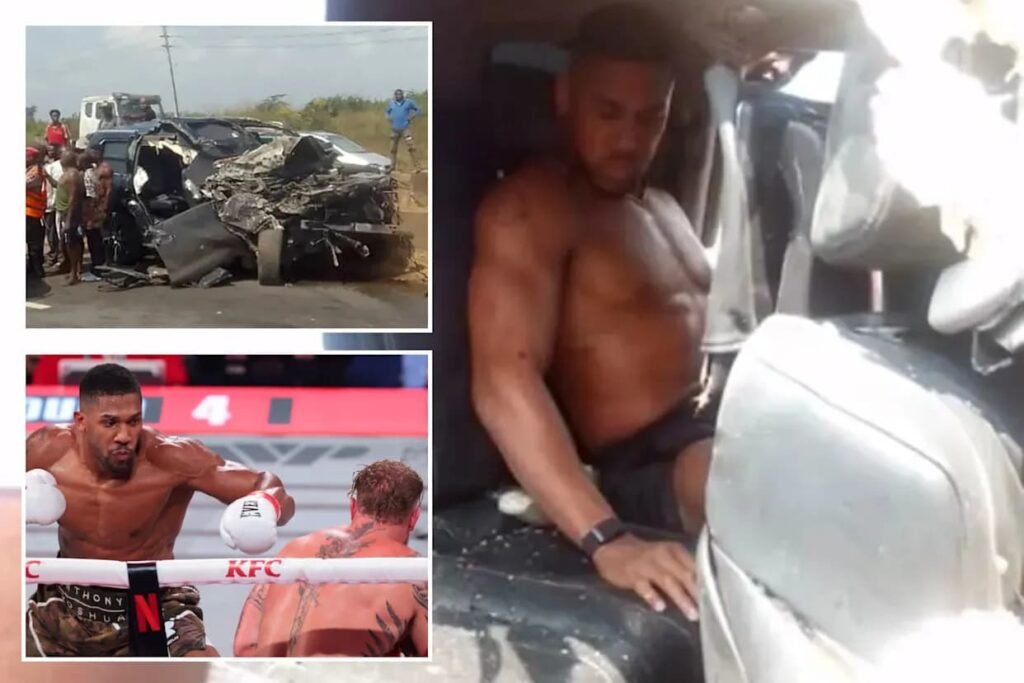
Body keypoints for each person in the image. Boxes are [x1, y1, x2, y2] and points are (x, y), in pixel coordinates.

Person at [469, 3, 712, 621]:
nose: (630, 138)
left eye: (648, 116)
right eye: (608, 113)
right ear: (565, 96)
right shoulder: (532, 211)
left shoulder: (659, 205)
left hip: (708, 423)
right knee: (762, 485)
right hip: (644, 464)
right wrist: (609, 540)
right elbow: (503, 381)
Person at [24, 363, 297, 657]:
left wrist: (266, 504)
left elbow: (265, 483)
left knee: (202, 667)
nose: (124, 435)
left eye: (133, 421)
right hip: (68, 600)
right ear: (81, 421)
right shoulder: (47, 450)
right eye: (110, 422)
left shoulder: (171, 458)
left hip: (153, 600)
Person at [233, 460, 428, 657]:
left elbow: (244, 648)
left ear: (353, 507)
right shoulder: (411, 571)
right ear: (414, 518)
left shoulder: (293, 549)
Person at [54, 151, 84, 285]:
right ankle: (73, 271)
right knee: (68, 243)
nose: (60, 159)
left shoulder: (72, 175)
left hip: (69, 213)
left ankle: (74, 274)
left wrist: (69, 219)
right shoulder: (67, 173)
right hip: (63, 212)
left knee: (72, 243)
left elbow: (73, 198)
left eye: (63, 157)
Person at [386, 89, 422, 172]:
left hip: (405, 129)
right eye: (396, 94)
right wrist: (388, 117)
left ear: (402, 95)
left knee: (411, 146)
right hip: (394, 130)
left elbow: (418, 109)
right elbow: (387, 112)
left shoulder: (408, 102)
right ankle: (392, 167)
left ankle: (417, 166)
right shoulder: (391, 103)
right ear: (394, 95)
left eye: (400, 94)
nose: (398, 96)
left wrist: (412, 116)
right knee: (392, 149)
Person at [25, 147, 47, 279]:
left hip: (33, 211)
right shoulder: (30, 169)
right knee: (30, 242)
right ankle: (32, 267)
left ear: (31, 158)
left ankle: (37, 269)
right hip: (29, 210)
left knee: (34, 243)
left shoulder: (35, 172)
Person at [43, 147, 66, 269]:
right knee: (53, 232)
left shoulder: (53, 168)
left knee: (58, 233)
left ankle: (59, 257)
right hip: (51, 203)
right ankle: (55, 255)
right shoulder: (51, 167)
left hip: (57, 204)